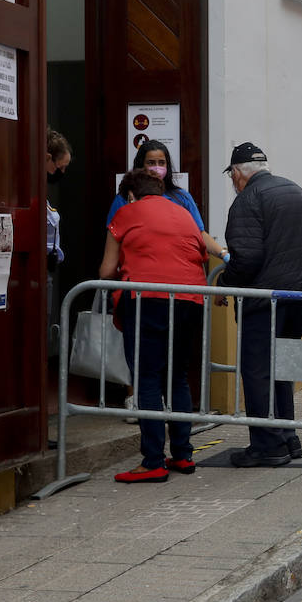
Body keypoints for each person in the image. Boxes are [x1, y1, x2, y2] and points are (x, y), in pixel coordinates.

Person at [219, 143, 302, 467]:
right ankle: (288, 437)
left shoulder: (247, 200)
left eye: (232, 176)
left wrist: (224, 282)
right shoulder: (295, 190)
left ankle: (267, 445)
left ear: (237, 174)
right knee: (283, 367)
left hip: (267, 299)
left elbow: (247, 258)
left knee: (257, 370)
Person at [99, 169, 207, 483]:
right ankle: (184, 455)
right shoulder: (183, 212)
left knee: (147, 377)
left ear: (130, 196)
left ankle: (153, 461)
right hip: (191, 299)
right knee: (177, 376)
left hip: (147, 299)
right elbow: (198, 253)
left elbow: (106, 270)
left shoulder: (125, 212)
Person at [106, 139, 226, 259]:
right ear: (141, 165)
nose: (157, 168)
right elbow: (114, 238)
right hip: (138, 266)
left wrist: (224, 254)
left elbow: (200, 233)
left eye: (161, 163)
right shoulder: (124, 198)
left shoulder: (181, 197)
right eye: (151, 163)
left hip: (177, 263)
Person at [46, 128, 73, 357]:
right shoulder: (28, 190)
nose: (62, 172)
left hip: (48, 269)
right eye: (60, 166)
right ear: (47, 158)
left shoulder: (41, 191)